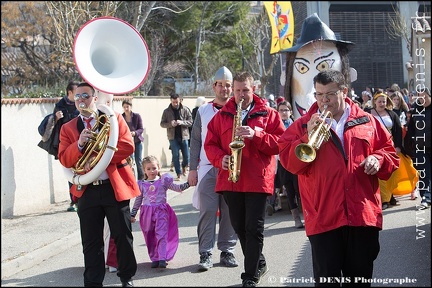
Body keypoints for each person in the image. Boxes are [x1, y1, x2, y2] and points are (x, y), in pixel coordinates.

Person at [278, 69, 399, 287]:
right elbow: (289, 163)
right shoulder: (302, 124)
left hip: (361, 215)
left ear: (344, 91)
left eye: (330, 94)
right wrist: (307, 136)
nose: (324, 101)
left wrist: (378, 159)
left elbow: (390, 153)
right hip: (323, 217)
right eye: (319, 94)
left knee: (359, 281)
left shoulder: (367, 120)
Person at [204, 71, 285, 287]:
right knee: (239, 226)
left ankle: (249, 275)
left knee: (253, 228)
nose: (241, 95)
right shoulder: (221, 116)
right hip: (231, 178)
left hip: (258, 179)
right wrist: (219, 159)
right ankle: (258, 261)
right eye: (237, 90)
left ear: (254, 89)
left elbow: (281, 143)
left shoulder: (269, 114)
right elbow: (209, 144)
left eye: (245, 90)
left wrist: (256, 135)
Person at [58, 82, 140, 287]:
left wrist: (98, 151)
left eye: (85, 96)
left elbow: (128, 146)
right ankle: (93, 283)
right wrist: (79, 145)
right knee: (91, 241)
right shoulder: (68, 128)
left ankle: (126, 277)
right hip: (87, 190)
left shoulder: (113, 118)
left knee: (122, 235)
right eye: (77, 97)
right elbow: (64, 159)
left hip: (113, 186)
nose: (81, 100)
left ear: (95, 98)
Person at [188, 66, 238, 272]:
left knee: (229, 211)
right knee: (207, 210)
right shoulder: (203, 110)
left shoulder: (239, 109)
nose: (225, 89)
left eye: (228, 86)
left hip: (231, 167)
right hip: (208, 168)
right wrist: (192, 169)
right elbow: (196, 140)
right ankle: (205, 252)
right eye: (221, 85)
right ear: (214, 86)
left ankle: (227, 250)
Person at [280, 13, 356, 120]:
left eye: (324, 66)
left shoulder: (365, 121)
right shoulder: (293, 132)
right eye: (302, 68)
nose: (316, 96)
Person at [130, 155, 191, 268]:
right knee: (150, 234)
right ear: (144, 170)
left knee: (161, 233)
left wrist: (188, 184)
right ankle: (154, 257)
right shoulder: (141, 184)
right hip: (147, 213)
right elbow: (138, 200)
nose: (152, 171)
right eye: (148, 169)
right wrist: (133, 213)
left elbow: (177, 188)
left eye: (154, 168)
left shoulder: (164, 181)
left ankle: (162, 257)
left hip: (161, 211)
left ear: (159, 167)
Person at [38, 80, 80, 212]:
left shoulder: (80, 104)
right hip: (65, 144)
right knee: (70, 172)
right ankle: (74, 200)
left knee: (80, 171)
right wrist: (55, 118)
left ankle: (79, 199)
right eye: (76, 93)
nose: (79, 96)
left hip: (79, 142)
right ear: (70, 92)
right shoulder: (60, 106)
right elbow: (55, 127)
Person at [268, 101, 304, 229]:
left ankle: (307, 216)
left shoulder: (296, 125)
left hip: (295, 161)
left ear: (290, 112)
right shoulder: (274, 126)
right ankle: (296, 218)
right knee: (289, 190)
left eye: (286, 110)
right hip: (282, 162)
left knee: (299, 189)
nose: (283, 113)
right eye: (281, 110)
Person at [367, 92, 403, 210]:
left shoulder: (392, 114)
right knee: (380, 173)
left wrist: (398, 146)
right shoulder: (368, 113)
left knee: (391, 172)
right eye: (380, 101)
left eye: (384, 101)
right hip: (375, 146)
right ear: (375, 102)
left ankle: (390, 195)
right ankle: (383, 199)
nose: (382, 104)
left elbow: (398, 131)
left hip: (390, 146)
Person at [405, 87, 431, 210]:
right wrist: (409, 145)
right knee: (424, 173)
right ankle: (425, 198)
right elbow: (410, 130)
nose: (423, 100)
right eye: (420, 98)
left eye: (425, 97)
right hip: (421, 148)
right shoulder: (416, 110)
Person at [160, 93, 193, 180]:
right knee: (175, 156)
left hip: (184, 136)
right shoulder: (166, 111)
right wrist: (170, 124)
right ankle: (178, 173)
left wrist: (182, 122)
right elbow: (162, 124)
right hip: (172, 137)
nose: (176, 104)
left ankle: (184, 166)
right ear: (171, 101)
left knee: (186, 156)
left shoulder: (185, 109)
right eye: (174, 102)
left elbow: (191, 121)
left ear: (180, 100)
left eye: (177, 102)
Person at [122, 99, 145, 180]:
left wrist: (135, 133)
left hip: (137, 141)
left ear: (131, 107)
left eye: (127, 107)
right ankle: (131, 178)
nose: (126, 109)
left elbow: (141, 129)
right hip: (127, 143)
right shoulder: (121, 117)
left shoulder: (136, 116)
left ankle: (141, 179)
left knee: (139, 161)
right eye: (124, 107)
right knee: (130, 161)